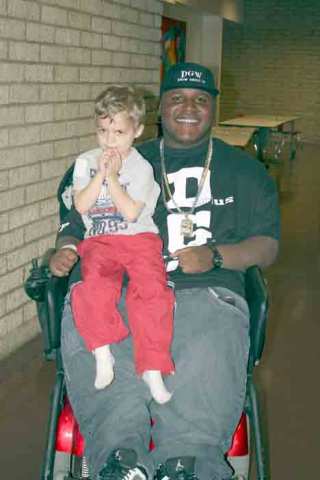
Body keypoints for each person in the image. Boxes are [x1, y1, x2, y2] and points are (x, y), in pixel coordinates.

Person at [50, 62, 280, 480]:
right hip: (117, 281)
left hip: (206, 288)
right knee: (93, 320)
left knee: (205, 341)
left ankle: (187, 462)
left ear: (213, 107)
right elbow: (73, 221)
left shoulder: (246, 172)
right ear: (160, 110)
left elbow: (267, 245)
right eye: (177, 98)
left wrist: (215, 256)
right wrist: (65, 248)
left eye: (200, 100)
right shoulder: (114, 159)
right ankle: (120, 461)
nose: (188, 108)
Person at [70, 86, 175, 404]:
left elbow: (131, 212)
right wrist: (99, 175)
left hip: (138, 239)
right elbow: (82, 206)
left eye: (118, 131)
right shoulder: (85, 162)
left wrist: (113, 178)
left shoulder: (141, 167)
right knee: (92, 289)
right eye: (103, 131)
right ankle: (103, 354)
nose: (109, 140)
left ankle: (152, 367)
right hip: (100, 240)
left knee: (152, 293)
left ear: (137, 131)